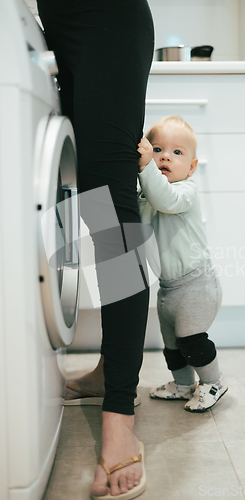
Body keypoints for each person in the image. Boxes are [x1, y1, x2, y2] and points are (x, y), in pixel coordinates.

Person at [36, 0, 154, 498]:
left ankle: (119, 415)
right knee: (87, 204)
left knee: (112, 219)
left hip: (107, 18)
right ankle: (112, 368)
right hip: (60, 23)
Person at [137, 116, 228, 412]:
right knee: (173, 347)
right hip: (168, 288)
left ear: (191, 167)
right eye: (158, 149)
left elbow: (164, 198)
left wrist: (146, 166)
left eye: (177, 152)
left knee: (191, 341)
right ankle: (183, 384)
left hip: (196, 284)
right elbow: (142, 216)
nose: (164, 156)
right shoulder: (152, 194)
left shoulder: (186, 192)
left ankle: (213, 381)